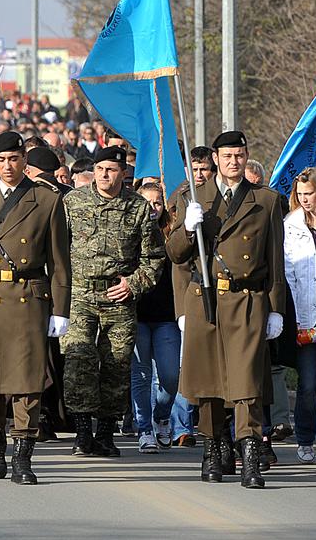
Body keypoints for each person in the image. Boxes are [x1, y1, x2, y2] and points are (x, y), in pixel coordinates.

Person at [168, 130, 286, 488]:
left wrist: (275, 308)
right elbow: (176, 255)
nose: (234, 162)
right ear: (215, 159)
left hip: (247, 299)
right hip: (205, 297)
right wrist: (188, 228)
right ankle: (213, 448)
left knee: (246, 380)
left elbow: (275, 260)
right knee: (207, 382)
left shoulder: (265, 200)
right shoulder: (193, 197)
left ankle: (249, 452)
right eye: (227, 156)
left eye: (240, 155)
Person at [0, 130, 71, 485]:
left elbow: (60, 260)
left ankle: (23, 454)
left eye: (14, 159)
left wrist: (61, 309)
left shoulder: (46, 200)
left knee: (27, 383)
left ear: (24, 159)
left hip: (27, 296)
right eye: (1, 160)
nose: (7, 166)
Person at [60, 145, 165, 458]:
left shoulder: (138, 208)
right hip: (79, 293)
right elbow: (57, 247)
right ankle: (82, 432)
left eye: (112, 170)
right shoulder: (73, 202)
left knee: (116, 365)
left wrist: (133, 284)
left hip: (118, 297)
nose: (105, 175)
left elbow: (154, 257)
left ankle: (106, 432)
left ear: (123, 173)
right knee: (78, 360)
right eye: (101, 169)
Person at [129, 181, 185, 454]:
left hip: (166, 317)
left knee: (170, 376)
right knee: (140, 376)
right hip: (137, 315)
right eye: (147, 202)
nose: (152, 208)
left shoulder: (170, 234)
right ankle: (144, 429)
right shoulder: (128, 231)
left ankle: (162, 414)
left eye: (157, 203)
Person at [282, 168, 316, 467]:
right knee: (308, 384)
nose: (304, 200)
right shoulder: (292, 225)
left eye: (308, 194)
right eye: (299, 195)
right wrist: (293, 316)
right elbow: (288, 271)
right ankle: (305, 437)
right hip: (305, 317)